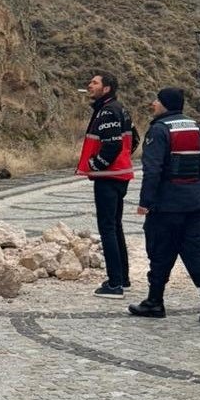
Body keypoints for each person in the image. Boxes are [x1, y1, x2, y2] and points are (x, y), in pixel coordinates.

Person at [127, 87, 200, 326]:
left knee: (160, 251)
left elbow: (153, 170)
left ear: (166, 104)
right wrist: (194, 186)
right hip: (193, 203)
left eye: (157, 100)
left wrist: (145, 203)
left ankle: (154, 301)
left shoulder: (159, 130)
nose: (153, 103)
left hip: (166, 204)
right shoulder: (197, 128)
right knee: (196, 251)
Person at [75, 70, 140, 298]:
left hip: (109, 178)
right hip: (118, 175)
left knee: (108, 228)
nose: (89, 85)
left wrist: (96, 164)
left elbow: (111, 146)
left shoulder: (108, 111)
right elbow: (134, 138)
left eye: (94, 82)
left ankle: (114, 284)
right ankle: (122, 277)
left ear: (107, 88)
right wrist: (123, 158)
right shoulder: (120, 109)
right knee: (115, 225)